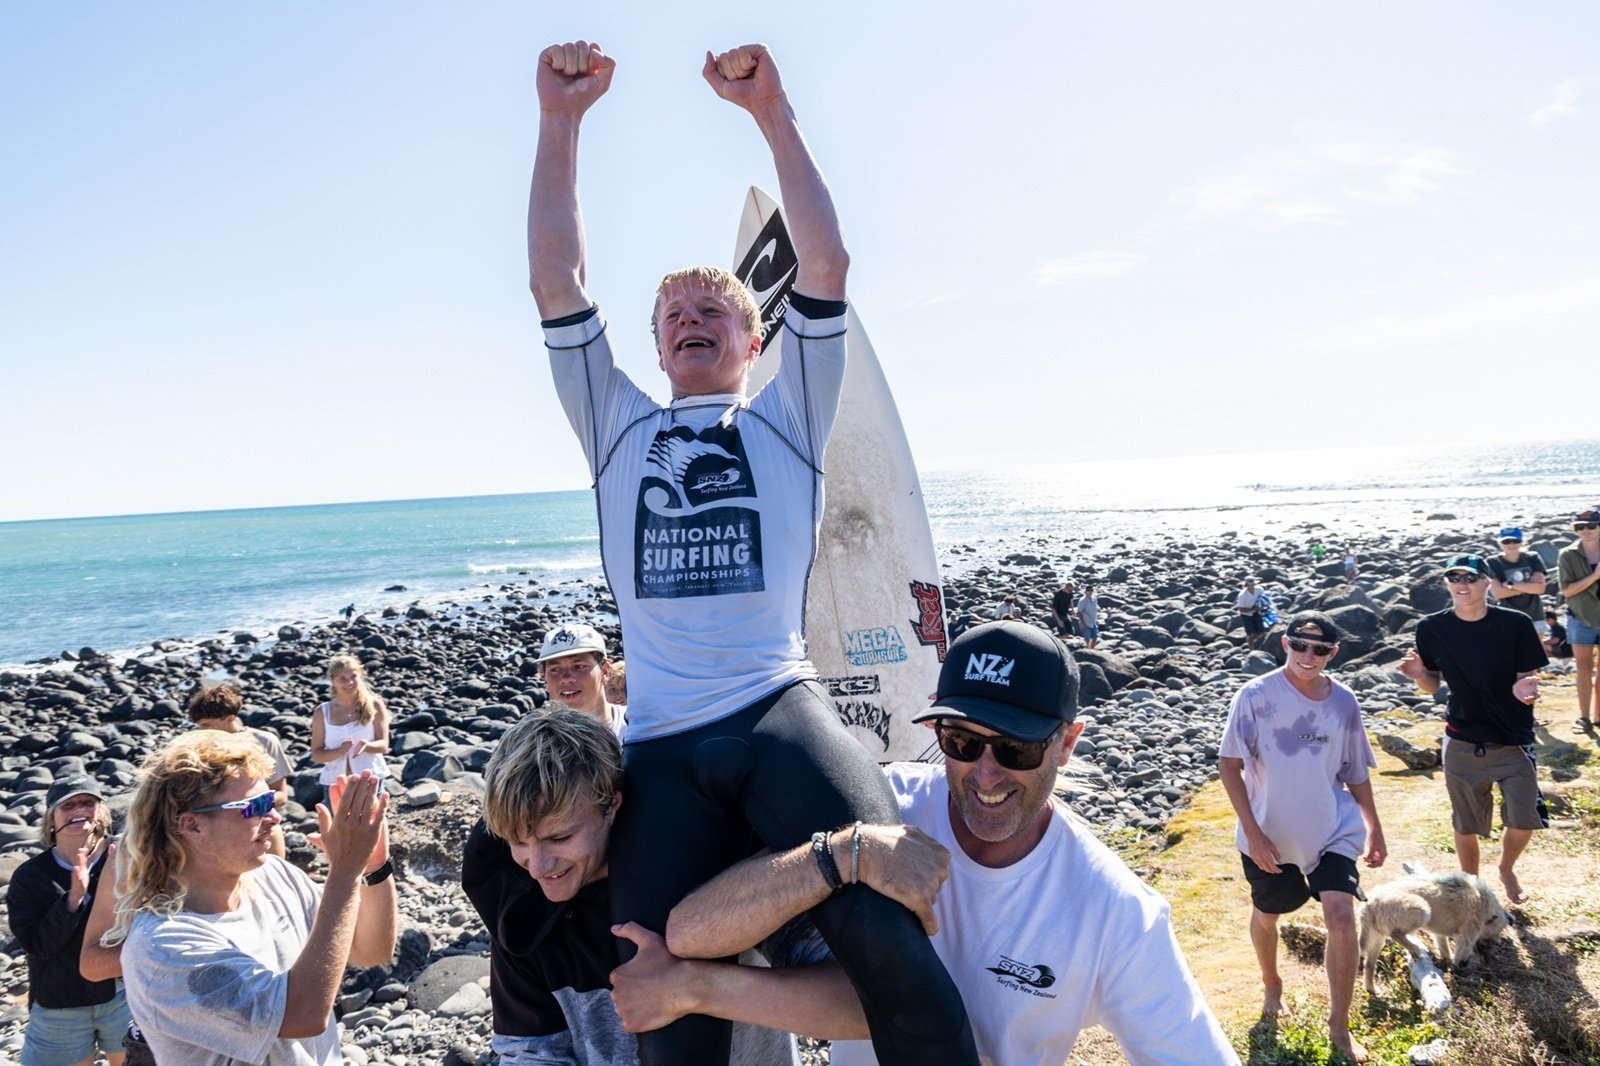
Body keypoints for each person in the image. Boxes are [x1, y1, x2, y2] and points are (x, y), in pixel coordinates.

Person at [528, 39, 974, 1065]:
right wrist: (561, 124)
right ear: (652, 347)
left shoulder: (785, 416)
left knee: (890, 945)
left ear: (752, 340)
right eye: (671, 314)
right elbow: (557, 278)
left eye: (713, 310)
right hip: (664, 747)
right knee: (657, 989)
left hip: (781, 711)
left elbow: (826, 268)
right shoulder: (616, 429)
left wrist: (771, 110)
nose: (689, 318)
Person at [665, 621, 1240, 1066]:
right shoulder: (874, 810)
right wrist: (844, 854)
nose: (984, 774)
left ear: (1067, 745)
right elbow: (692, 929)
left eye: (1016, 750)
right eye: (961, 741)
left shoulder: (1113, 912)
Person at [462, 708, 884, 1066]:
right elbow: (530, 1051)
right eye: (519, 841)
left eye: (560, 839)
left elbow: (869, 1007)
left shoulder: (708, 861)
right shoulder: (516, 897)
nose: (537, 866)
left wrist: (695, 987)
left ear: (612, 804)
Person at [104, 732, 396, 1065]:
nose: (274, 818)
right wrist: (343, 873)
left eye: (270, 802)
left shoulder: (274, 875)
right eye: (255, 807)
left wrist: (373, 868)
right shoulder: (161, 946)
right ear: (192, 826)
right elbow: (300, 1016)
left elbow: (371, 951)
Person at [1219, 612, 1386, 1064]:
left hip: (1332, 829)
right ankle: (1272, 981)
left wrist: (1375, 828)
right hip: (1270, 833)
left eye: (1320, 649)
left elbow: (1354, 772)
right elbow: (1228, 765)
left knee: (1340, 915)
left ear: (1334, 653)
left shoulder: (1344, 701)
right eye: (1299, 645)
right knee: (1268, 914)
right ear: (1285, 645)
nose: (1308, 656)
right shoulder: (1254, 696)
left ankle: (1339, 1026)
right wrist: (1253, 833)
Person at [1398, 554, 1547, 903]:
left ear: (1486, 583)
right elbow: (1432, 686)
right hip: (1462, 739)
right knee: (1466, 823)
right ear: (1448, 583)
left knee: (1524, 819)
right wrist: (1420, 674)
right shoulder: (1432, 627)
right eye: (1454, 577)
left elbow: (1528, 677)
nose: (1462, 583)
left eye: (1471, 577)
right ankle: (1472, 889)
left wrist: (1526, 688)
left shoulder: (1516, 623)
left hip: (1512, 738)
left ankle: (1506, 868)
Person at [7, 773, 132, 1066]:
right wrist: (73, 899)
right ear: (51, 819)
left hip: (124, 995)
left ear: (100, 811)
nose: (79, 811)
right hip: (61, 1004)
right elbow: (39, 946)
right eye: (68, 805)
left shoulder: (126, 855)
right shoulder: (30, 877)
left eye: (88, 802)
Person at [185, 681, 294, 857]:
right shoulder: (200, 747)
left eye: (206, 725)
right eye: (199, 725)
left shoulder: (264, 741)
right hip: (216, 829)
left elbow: (281, 795)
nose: (200, 731)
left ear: (229, 719)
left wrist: (247, 809)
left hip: (261, 824)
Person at [310, 654, 390, 805]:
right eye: (342, 678)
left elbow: (383, 745)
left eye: (353, 676)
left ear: (360, 676)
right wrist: (338, 752)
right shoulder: (322, 712)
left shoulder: (375, 705)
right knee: (336, 828)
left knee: (373, 826)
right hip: (335, 784)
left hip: (370, 780)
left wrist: (367, 746)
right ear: (332, 681)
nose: (349, 682)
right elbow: (316, 755)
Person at [535, 622, 626, 735]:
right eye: (556, 669)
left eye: (579, 667)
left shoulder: (639, 727)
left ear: (605, 671)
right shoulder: (535, 742)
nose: (567, 678)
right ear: (544, 678)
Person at [1556, 508, 1600, 734]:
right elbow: (1566, 590)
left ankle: (1598, 715)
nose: (1585, 531)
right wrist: (1594, 577)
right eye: (1579, 527)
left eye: (1591, 526)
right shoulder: (1567, 554)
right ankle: (1584, 717)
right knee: (1583, 668)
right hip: (1580, 617)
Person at [1486, 525, 1548, 634]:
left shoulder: (1532, 557)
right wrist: (1529, 586)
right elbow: (1497, 593)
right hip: (1506, 617)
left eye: (1515, 541)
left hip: (1535, 616)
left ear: (1522, 542)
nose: (1511, 544)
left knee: (1536, 650)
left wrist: (1510, 584)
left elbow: (1540, 588)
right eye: (1506, 541)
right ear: (1500, 543)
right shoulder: (1493, 562)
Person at [1235, 577, 1268, 651]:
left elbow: (1263, 599)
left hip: (1257, 613)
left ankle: (1259, 646)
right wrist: (1253, 609)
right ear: (1246, 585)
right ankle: (1251, 649)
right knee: (1251, 634)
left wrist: (1263, 606)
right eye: (1250, 584)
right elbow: (1241, 609)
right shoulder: (1242, 595)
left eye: (1253, 584)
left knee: (1261, 631)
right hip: (1246, 615)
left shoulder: (1259, 590)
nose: (1252, 586)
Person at [1075, 585, 1101, 649]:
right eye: (1088, 590)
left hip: (1093, 621)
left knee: (1095, 637)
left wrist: (1096, 620)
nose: (1090, 592)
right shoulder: (1082, 601)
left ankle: (1092, 649)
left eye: (1091, 590)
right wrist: (1083, 623)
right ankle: (1088, 649)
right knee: (1087, 638)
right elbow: (1079, 612)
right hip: (1086, 621)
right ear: (1085, 592)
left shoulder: (1094, 599)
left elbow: (1095, 610)